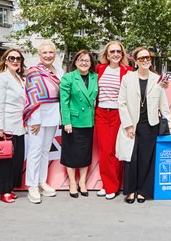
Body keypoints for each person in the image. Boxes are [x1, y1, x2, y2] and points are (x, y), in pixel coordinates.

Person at [117, 47, 171, 203]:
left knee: (146, 159)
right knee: (131, 159)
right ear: (135, 61)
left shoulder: (157, 79)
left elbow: (163, 104)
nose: (146, 60)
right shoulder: (128, 78)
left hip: (151, 124)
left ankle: (143, 191)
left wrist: (168, 123)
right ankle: (130, 190)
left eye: (147, 57)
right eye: (141, 58)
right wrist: (127, 125)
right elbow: (122, 103)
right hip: (132, 125)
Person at [23, 40, 63, 203]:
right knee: (35, 150)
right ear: (39, 55)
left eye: (51, 52)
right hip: (38, 115)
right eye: (44, 53)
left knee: (46, 149)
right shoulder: (33, 71)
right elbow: (33, 95)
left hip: (53, 115)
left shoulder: (59, 70)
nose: (48, 55)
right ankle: (31, 185)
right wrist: (36, 120)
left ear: (55, 54)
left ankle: (41, 182)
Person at [94, 41, 133, 199]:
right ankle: (107, 184)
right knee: (105, 151)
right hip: (102, 113)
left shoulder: (127, 71)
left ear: (122, 54)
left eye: (118, 51)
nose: (115, 54)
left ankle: (112, 186)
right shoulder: (100, 69)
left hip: (119, 114)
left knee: (116, 150)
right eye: (112, 52)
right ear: (107, 54)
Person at [59, 50, 98, 198]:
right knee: (71, 153)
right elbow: (64, 102)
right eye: (81, 60)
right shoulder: (68, 78)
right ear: (75, 62)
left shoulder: (95, 77)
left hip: (88, 121)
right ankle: (72, 183)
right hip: (73, 122)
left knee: (84, 154)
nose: (84, 63)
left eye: (87, 61)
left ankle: (82, 182)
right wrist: (66, 121)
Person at [0, 49, 27, 203]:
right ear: (5, 60)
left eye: (18, 58)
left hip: (19, 125)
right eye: (11, 58)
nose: (15, 60)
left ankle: (11, 188)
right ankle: (4, 191)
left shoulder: (20, 78)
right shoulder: (1, 78)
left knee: (16, 159)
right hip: (6, 125)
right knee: (5, 160)